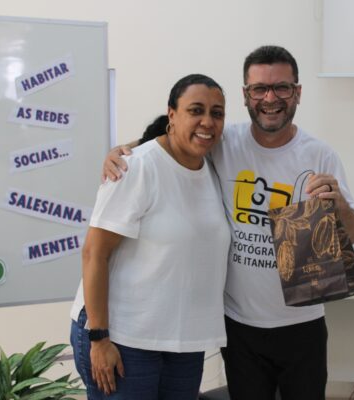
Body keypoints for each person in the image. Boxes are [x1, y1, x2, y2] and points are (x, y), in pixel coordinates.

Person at [103, 46, 354, 400]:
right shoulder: (225, 143)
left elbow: (353, 234)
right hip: (239, 326)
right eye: (259, 89)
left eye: (281, 87)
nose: (270, 98)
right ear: (246, 95)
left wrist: (340, 205)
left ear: (297, 92)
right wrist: (125, 150)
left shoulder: (319, 155)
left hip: (303, 322)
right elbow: (175, 140)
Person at [70, 73, 230, 400]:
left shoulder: (214, 164)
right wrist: (99, 338)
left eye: (217, 113)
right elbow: (94, 253)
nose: (207, 121)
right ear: (172, 114)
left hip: (183, 340)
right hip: (122, 337)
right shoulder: (136, 167)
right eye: (195, 110)